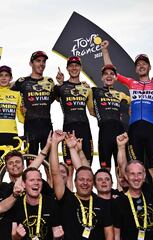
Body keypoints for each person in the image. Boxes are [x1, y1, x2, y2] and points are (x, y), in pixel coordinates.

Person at [101, 40, 153, 182]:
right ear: (136, 69)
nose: (141, 66)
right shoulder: (131, 83)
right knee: (135, 168)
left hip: (151, 129)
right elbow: (110, 69)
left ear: (149, 67)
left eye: (144, 64)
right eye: (138, 64)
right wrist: (105, 51)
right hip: (134, 129)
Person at [50, 130, 114, 240]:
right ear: (74, 181)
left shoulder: (102, 204)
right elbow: (55, 173)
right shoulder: (66, 198)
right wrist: (55, 143)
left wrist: (74, 150)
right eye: (81, 180)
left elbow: (109, 233)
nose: (85, 183)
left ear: (93, 183)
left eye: (88, 180)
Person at [55, 56, 93, 191]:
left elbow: (92, 111)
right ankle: (69, 201)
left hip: (85, 128)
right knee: (69, 170)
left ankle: (87, 199)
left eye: (77, 65)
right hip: (69, 128)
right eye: (71, 66)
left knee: (86, 166)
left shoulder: (86, 87)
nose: (74, 68)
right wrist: (59, 83)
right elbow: (47, 100)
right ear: (67, 69)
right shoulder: (61, 87)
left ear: (80, 68)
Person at [11, 51, 55, 157]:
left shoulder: (49, 81)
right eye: (38, 61)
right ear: (31, 63)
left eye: (43, 61)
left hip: (46, 125)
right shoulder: (22, 82)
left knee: (50, 163)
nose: (41, 64)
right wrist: (20, 106)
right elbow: (5, 91)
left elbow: (55, 98)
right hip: (30, 127)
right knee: (31, 162)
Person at [88, 64, 130, 174]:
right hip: (104, 132)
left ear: (116, 78)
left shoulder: (122, 95)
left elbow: (132, 106)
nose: (109, 76)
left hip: (119, 132)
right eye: (106, 74)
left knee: (120, 167)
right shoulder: (94, 91)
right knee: (105, 168)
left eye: (112, 74)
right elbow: (91, 111)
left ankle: (121, 190)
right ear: (102, 77)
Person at [11, 167, 64, 240]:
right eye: (31, 180)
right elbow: (13, 237)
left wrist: (57, 238)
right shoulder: (16, 203)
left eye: (39, 180)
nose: (36, 183)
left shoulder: (51, 203)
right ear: (23, 184)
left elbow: (57, 233)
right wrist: (18, 235)